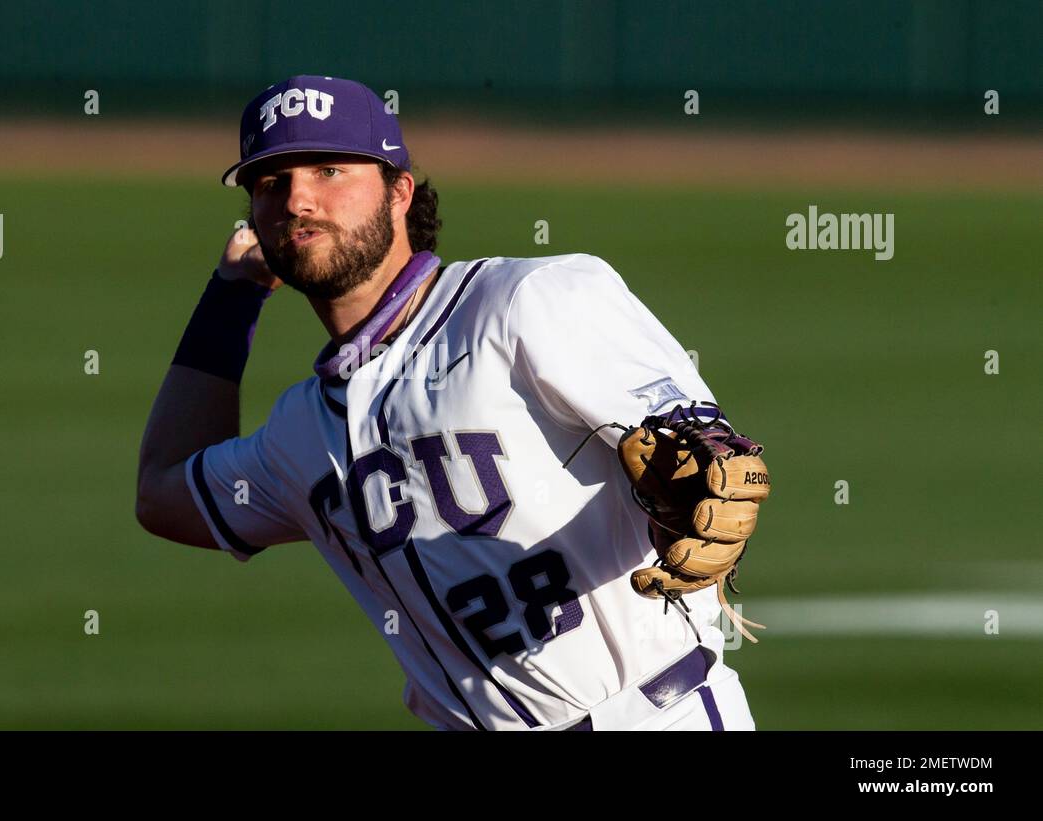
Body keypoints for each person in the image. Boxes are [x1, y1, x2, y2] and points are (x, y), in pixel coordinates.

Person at [136, 75, 761, 730]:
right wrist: (230, 296)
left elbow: (703, 449)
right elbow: (161, 492)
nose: (298, 199)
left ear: (400, 191)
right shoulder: (299, 434)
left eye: (328, 169)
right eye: (270, 182)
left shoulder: (524, 301)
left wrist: (706, 470)